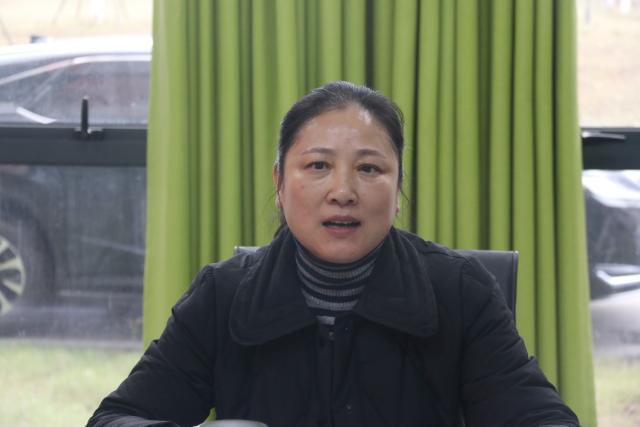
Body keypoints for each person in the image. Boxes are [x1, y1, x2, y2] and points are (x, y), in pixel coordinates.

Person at [87, 81, 580, 427]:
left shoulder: (459, 290)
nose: (343, 192)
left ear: (397, 189)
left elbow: (539, 416)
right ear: (280, 184)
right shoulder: (223, 295)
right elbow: (117, 418)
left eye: (369, 169)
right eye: (318, 165)